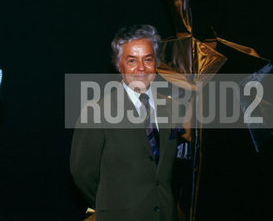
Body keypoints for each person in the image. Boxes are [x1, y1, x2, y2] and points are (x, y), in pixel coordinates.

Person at [70, 24, 190, 221]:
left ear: (156, 63)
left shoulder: (172, 108)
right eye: (132, 60)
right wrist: (110, 203)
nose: (141, 68)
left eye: (148, 59)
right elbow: (82, 172)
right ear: (119, 65)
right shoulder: (97, 111)